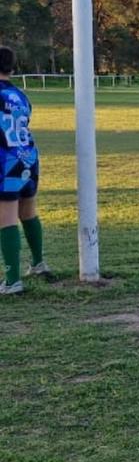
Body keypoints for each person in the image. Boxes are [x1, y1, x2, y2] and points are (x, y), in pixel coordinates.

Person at [0, 46, 48, 296]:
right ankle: (39, 263)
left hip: (5, 159)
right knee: (28, 211)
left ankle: (11, 281)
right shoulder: (19, 94)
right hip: (27, 156)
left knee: (5, 217)